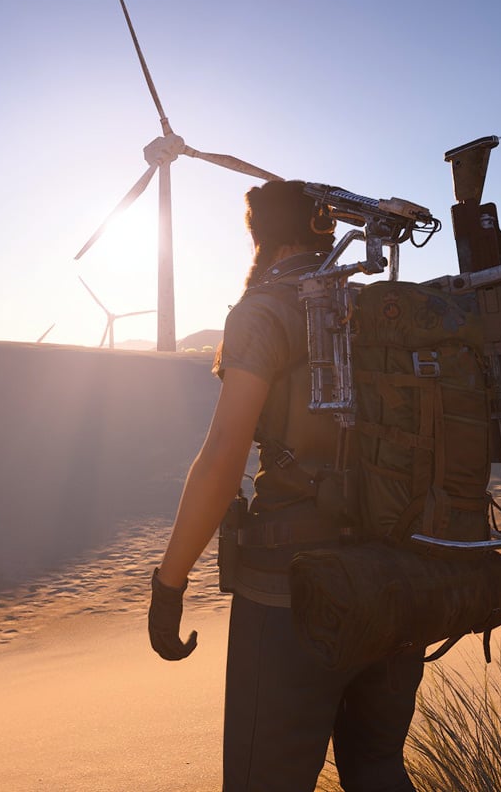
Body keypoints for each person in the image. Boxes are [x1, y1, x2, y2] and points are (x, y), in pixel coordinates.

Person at [148, 179, 424, 792]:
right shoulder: (377, 311)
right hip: (399, 577)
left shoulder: (267, 310)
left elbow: (223, 458)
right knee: (378, 766)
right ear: (327, 228)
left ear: (259, 235)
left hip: (292, 591)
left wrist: (169, 586)